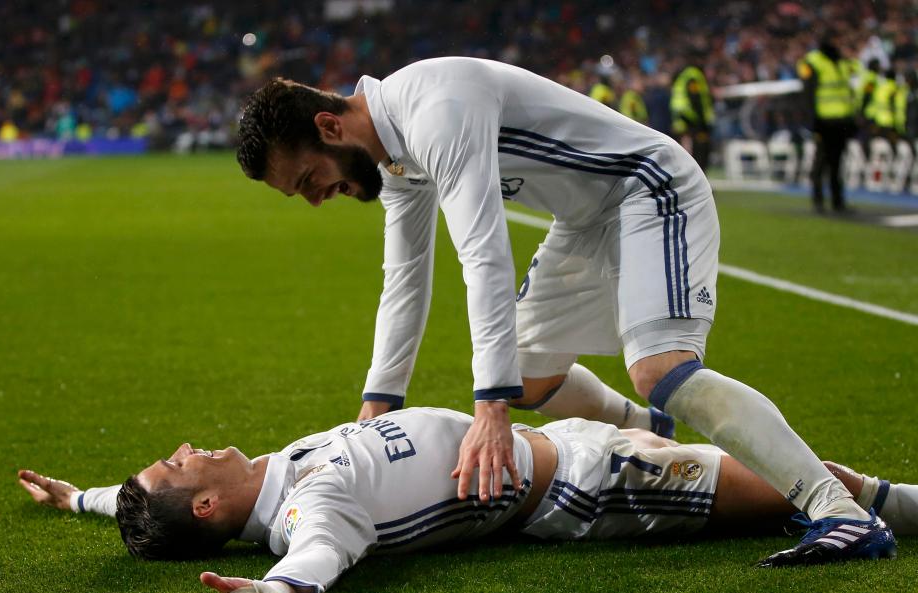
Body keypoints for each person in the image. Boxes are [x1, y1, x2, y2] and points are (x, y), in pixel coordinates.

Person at [234, 56, 892, 566]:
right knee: (526, 372)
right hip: (586, 218)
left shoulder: (432, 107)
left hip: (646, 183)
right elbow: (404, 282)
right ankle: (655, 427)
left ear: (328, 128)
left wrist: (489, 409)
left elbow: (484, 256)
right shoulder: (397, 159)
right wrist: (376, 410)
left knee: (660, 366)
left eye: (307, 181)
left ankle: (836, 510)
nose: (318, 199)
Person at [18, 407, 903, 593]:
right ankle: (897, 506)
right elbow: (324, 552)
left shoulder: (270, 472)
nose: (183, 446)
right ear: (209, 507)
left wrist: (85, 499)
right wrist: (280, 591)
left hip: (554, 440)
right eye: (177, 467)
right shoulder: (304, 509)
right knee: (796, 481)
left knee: (782, 466)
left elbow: (151, 510)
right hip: (589, 484)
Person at [797, 35, 857, 213]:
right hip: (824, 122)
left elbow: (846, 92)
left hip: (841, 121)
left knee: (837, 164)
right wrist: (813, 123)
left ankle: (838, 202)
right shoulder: (814, 62)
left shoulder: (842, 62)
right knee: (821, 163)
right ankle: (818, 201)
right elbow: (808, 94)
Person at [669, 61, 713, 170]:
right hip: (689, 117)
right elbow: (695, 98)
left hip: (679, 117)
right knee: (693, 150)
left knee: (685, 148)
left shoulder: (682, 75)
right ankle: (692, 175)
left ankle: (685, 175)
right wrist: (702, 121)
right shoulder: (694, 75)